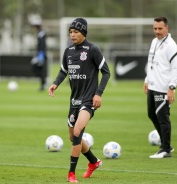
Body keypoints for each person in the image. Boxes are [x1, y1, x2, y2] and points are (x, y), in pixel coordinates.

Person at [48, 18, 110, 182]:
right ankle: (93, 162)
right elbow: (63, 71)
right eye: (71, 32)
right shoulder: (68, 51)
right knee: (73, 137)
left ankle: (71, 174)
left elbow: (106, 72)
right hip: (74, 100)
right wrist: (55, 84)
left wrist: (98, 94)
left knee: (77, 133)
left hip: (88, 100)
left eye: (75, 32)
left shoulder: (93, 49)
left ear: (83, 32)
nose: (72, 35)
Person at [143, 17, 177, 159]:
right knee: (152, 114)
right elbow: (151, 62)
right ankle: (167, 144)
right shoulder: (154, 41)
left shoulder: (171, 45)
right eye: (155, 28)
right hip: (153, 85)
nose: (157, 31)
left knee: (163, 118)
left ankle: (165, 149)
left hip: (163, 88)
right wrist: (147, 79)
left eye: (160, 28)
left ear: (167, 28)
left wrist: (172, 88)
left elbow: (176, 69)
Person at [30, 16, 47, 91]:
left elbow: (42, 45)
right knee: (38, 69)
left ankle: (44, 83)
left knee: (35, 67)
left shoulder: (41, 33)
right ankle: (43, 83)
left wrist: (41, 54)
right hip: (39, 53)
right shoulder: (39, 33)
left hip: (41, 54)